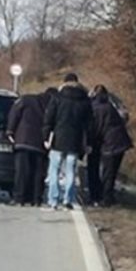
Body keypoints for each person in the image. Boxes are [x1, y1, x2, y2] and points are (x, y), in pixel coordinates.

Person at [42, 73, 92, 211]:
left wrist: (46, 137)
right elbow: (89, 125)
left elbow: (49, 119)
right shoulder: (85, 100)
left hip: (58, 139)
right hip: (75, 140)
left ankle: (53, 200)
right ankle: (68, 199)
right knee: (71, 171)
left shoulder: (57, 98)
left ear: (64, 83)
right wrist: (88, 143)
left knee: (54, 171)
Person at [6, 89, 52, 206]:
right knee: (38, 172)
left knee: (22, 172)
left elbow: (14, 114)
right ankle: (36, 199)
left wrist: (10, 131)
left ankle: (19, 198)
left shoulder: (26, 100)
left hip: (23, 139)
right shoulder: (51, 105)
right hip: (40, 143)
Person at [89, 85, 132, 207]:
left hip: (110, 143)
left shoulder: (95, 108)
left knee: (108, 172)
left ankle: (106, 199)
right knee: (112, 172)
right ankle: (108, 196)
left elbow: (96, 129)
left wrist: (90, 142)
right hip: (121, 141)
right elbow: (124, 117)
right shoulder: (111, 105)